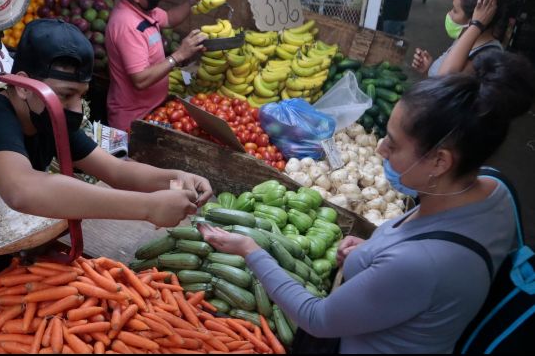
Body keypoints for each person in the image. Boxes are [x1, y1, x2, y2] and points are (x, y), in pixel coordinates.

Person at [0, 19, 214, 352]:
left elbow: (117, 171)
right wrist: (147, 207)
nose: (75, 108)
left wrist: (177, 178)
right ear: (22, 86)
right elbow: (23, 189)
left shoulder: (50, 118)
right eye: (66, 95)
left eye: (81, 96)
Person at [199, 49, 535, 353]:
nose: (379, 149)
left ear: (440, 162)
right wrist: (372, 251)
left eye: (393, 143)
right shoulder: (495, 187)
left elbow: (316, 317)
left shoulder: (420, 263)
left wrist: (250, 249)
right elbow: (423, 255)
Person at [105, 0, 218, 132]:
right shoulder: (127, 25)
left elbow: (170, 18)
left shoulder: (144, 9)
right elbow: (140, 80)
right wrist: (179, 55)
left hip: (152, 108)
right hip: (133, 120)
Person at [412, 0, 505, 77]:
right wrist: (429, 69)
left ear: (476, 17)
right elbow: (438, 85)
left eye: (455, 11)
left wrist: (477, 24)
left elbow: (444, 81)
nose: (449, 14)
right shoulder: (466, 38)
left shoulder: (488, 55)